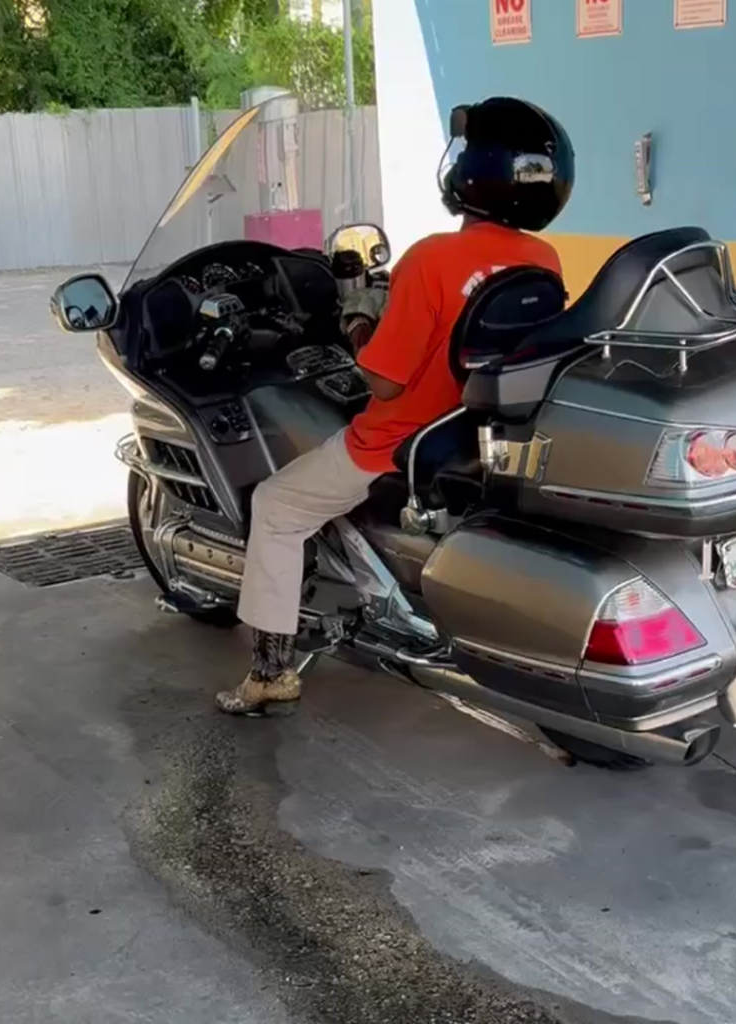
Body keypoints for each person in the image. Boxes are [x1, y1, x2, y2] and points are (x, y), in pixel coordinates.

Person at [216, 96, 576, 715]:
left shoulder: (431, 259)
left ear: (470, 174)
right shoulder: (543, 260)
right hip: (478, 432)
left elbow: (380, 382)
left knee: (275, 506)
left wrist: (358, 321)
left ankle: (271, 670)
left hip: (397, 442)